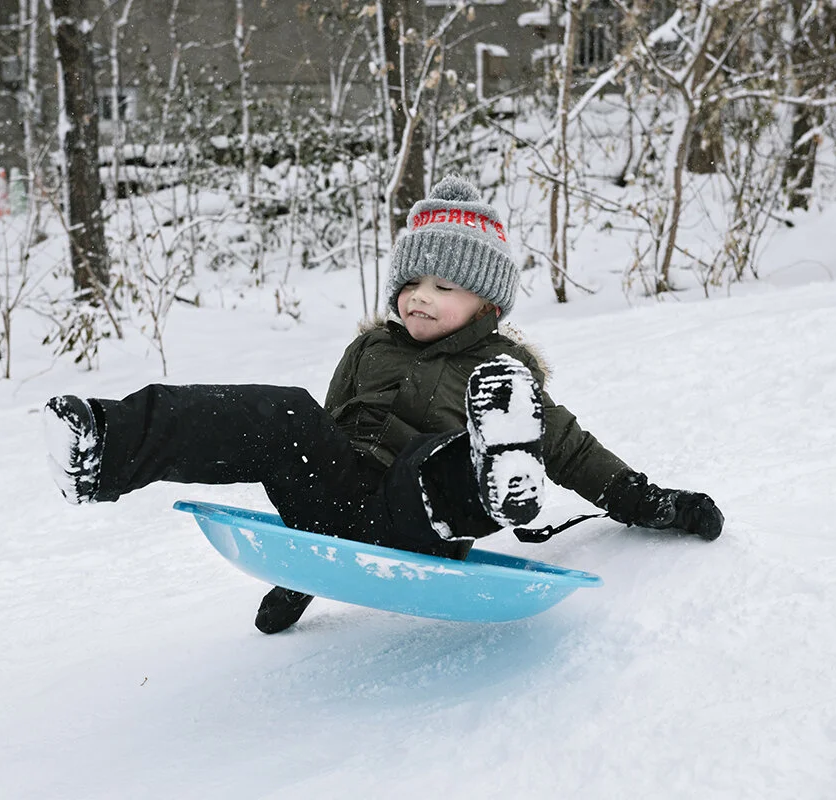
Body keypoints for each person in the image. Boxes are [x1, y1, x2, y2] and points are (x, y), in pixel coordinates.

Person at [43, 175, 724, 634]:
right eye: (413, 281)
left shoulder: (503, 374)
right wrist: (300, 569)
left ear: (487, 304)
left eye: (446, 287)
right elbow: (325, 432)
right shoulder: (370, 349)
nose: (422, 296)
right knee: (287, 413)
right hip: (341, 500)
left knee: (439, 457)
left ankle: (502, 476)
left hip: (424, 516)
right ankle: (103, 447)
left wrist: (648, 502)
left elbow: (575, 452)